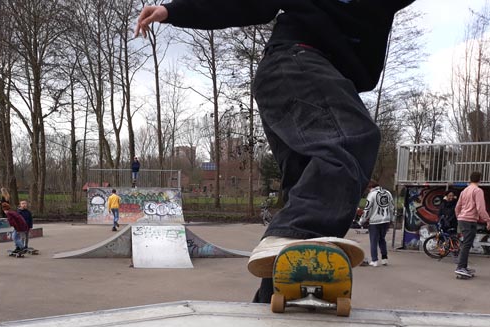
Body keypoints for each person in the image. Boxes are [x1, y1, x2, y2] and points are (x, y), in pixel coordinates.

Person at [136, 0, 415, 302]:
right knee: (351, 140)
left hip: (315, 84)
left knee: (306, 183)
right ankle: (288, 238)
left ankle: (275, 297)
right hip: (297, 65)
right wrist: (175, 11)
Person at [454, 172, 490, 277]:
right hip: (470, 221)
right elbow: (481, 208)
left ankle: (463, 267)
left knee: (466, 243)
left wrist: (459, 217)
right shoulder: (478, 190)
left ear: (470, 179)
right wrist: (488, 220)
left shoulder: (464, 191)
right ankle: (460, 267)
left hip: (462, 219)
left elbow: (457, 207)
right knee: (467, 244)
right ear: (480, 179)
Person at [359, 181, 394, 267]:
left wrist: (361, 221)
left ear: (370, 188)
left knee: (373, 241)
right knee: (382, 239)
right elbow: (392, 207)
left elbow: (367, 209)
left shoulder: (372, 195)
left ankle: (374, 260)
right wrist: (391, 219)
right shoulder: (388, 193)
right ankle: (384, 259)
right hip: (386, 220)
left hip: (375, 222)